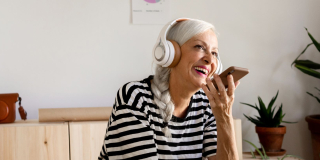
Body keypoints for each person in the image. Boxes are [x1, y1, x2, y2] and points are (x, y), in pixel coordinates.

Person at [98, 18, 240, 160]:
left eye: (214, 53)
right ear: (171, 53)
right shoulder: (135, 97)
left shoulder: (206, 104)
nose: (209, 59)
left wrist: (224, 117)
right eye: (199, 47)